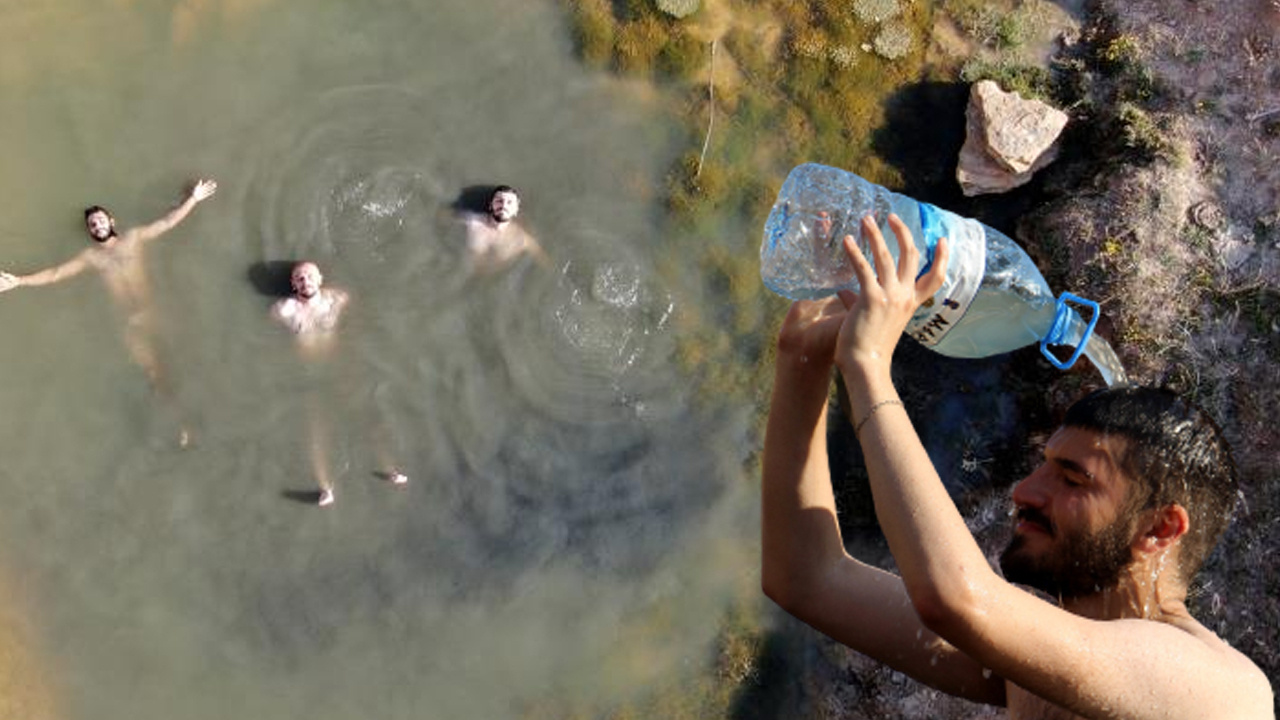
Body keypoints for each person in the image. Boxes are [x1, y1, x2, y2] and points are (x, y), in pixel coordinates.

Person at [760, 214, 1273, 719]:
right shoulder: (1036, 664)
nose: (1024, 491)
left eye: (1072, 478)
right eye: (1044, 466)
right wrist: (802, 360)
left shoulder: (1222, 692)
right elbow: (807, 578)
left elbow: (955, 600)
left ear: (1160, 528)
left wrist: (869, 366)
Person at [0, 179, 218, 444]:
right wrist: (19, 281)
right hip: (130, 325)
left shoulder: (134, 237)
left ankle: (205, 412)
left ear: (111, 221)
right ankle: (182, 426)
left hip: (155, 313)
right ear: (90, 232)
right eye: (93, 224)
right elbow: (56, 273)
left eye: (100, 220)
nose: (97, 225)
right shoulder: (91, 258)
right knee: (153, 375)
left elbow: (167, 222)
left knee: (184, 358)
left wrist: (192, 199)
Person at [271, 261, 407, 507]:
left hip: (339, 366)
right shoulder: (283, 309)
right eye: (299, 277)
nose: (305, 280)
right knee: (315, 426)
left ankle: (390, 468)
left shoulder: (337, 299)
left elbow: (360, 323)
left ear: (320, 279)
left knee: (364, 413)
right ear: (293, 284)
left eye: (310, 276)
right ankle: (325, 488)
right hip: (307, 373)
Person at [459, 185, 548, 273]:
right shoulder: (475, 224)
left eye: (509, 203)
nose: (503, 205)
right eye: (499, 201)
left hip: (495, 264)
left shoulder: (520, 239)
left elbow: (541, 258)